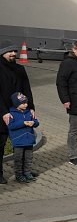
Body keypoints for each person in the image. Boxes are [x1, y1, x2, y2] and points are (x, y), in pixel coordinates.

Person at [1, 43, 36, 185]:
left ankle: (22, 171)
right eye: (9, 51)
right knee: (1, 144)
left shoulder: (19, 69)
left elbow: (27, 89)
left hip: (21, 113)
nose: (13, 53)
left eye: (14, 51)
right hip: (3, 112)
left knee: (23, 142)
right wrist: (3, 112)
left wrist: (31, 107)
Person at [7, 92, 39, 182]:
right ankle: (19, 174)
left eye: (26, 103)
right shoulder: (12, 114)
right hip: (18, 141)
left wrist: (34, 123)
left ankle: (27, 172)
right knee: (18, 159)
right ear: (16, 104)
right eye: (23, 103)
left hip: (29, 140)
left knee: (28, 158)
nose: (26, 105)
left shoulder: (29, 112)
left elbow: (36, 122)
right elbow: (11, 126)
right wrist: (23, 123)